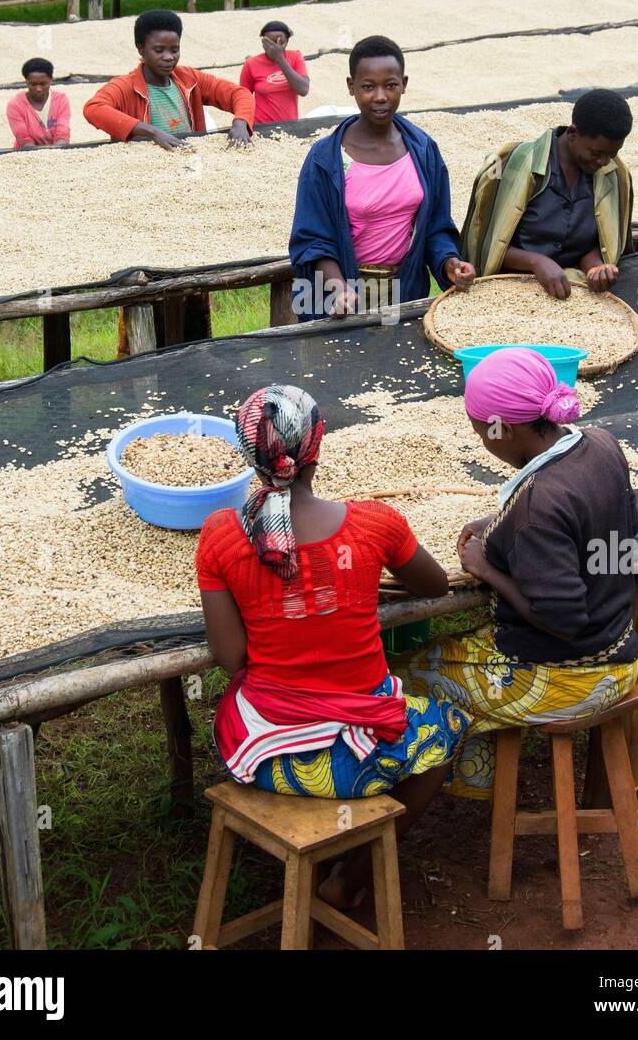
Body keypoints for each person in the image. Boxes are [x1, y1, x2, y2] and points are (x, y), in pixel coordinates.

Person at [196, 384, 470, 907]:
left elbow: (233, 659)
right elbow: (435, 585)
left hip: (263, 755)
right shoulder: (374, 524)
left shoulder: (221, 535)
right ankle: (348, 879)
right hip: (355, 760)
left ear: (248, 454)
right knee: (443, 739)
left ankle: (324, 849)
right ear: (317, 448)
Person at [398, 347, 638, 800]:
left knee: (400, 678)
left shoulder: (538, 505)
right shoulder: (601, 443)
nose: (484, 445)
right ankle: (479, 773)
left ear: (503, 429)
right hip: (620, 650)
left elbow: (562, 618)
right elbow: (600, 533)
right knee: (455, 650)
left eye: (482, 435)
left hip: (570, 679)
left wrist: (486, 568)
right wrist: (502, 518)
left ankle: (419, 795)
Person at [289, 35, 475, 320]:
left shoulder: (423, 151)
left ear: (404, 84)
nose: (380, 96)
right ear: (351, 87)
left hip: (404, 291)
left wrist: (449, 262)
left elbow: (436, 226)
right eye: (367, 86)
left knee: (395, 362)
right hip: (339, 296)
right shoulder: (327, 159)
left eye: (390, 85)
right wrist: (339, 289)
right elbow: (313, 239)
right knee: (342, 363)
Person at [461, 89, 634, 300]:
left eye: (612, 153)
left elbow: (599, 243)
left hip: (576, 291)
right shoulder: (509, 165)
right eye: (596, 153)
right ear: (572, 133)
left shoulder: (614, 175)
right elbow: (485, 245)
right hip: (509, 291)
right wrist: (537, 261)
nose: (604, 162)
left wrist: (596, 268)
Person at [83, 8, 254, 149]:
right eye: (159, 50)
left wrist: (240, 123)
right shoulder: (126, 86)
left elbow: (239, 94)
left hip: (188, 160)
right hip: (141, 170)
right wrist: (152, 132)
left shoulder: (189, 79)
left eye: (174, 50)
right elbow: (93, 109)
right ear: (141, 49)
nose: (168, 57)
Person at [239, 19, 309, 123]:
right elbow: (243, 99)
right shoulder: (251, 64)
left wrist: (280, 59)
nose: (275, 46)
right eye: (270, 42)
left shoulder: (295, 57)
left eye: (280, 42)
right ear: (263, 42)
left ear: (287, 41)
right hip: (260, 126)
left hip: (290, 125)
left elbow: (303, 90)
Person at [5, 59, 71, 151]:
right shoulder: (15, 105)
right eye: (33, 84)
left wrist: (58, 151)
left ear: (51, 80)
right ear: (26, 82)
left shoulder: (61, 100)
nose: (39, 89)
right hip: (27, 153)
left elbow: (62, 131)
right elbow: (23, 138)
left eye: (43, 84)